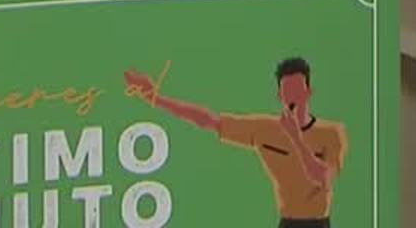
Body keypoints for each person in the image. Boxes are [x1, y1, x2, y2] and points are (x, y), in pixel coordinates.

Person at [125, 57, 347, 228]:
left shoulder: (332, 133)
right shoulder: (265, 130)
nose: (293, 97)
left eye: (297, 90)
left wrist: (296, 138)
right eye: (287, 91)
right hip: (287, 222)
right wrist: (154, 98)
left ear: (308, 92)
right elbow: (209, 120)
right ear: (279, 95)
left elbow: (323, 178)